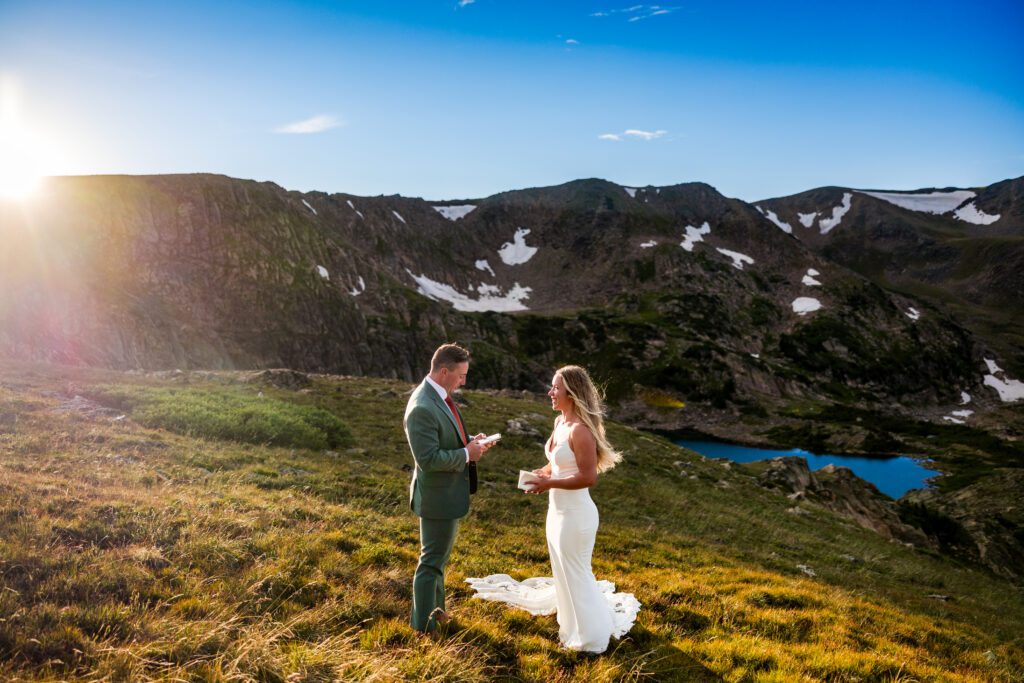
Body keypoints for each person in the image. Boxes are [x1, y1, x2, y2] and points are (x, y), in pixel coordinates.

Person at [466, 365, 640, 653]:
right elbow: (558, 463)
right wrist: (543, 473)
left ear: (571, 393)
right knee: (562, 570)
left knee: (576, 572)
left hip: (576, 515)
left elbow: (588, 477)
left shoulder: (581, 431)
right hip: (556, 511)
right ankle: (571, 622)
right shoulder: (560, 423)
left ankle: (591, 638)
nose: (550, 392)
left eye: (555, 388)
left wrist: (549, 483)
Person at [404, 342, 494, 633]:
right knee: (430, 563)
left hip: (446, 496)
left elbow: (444, 435)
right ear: (444, 371)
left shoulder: (438, 396)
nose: (464, 382)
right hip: (437, 498)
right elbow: (428, 459)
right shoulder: (422, 407)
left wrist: (470, 440)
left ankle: (436, 615)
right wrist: (467, 454)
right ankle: (423, 628)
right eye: (461, 375)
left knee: (438, 560)